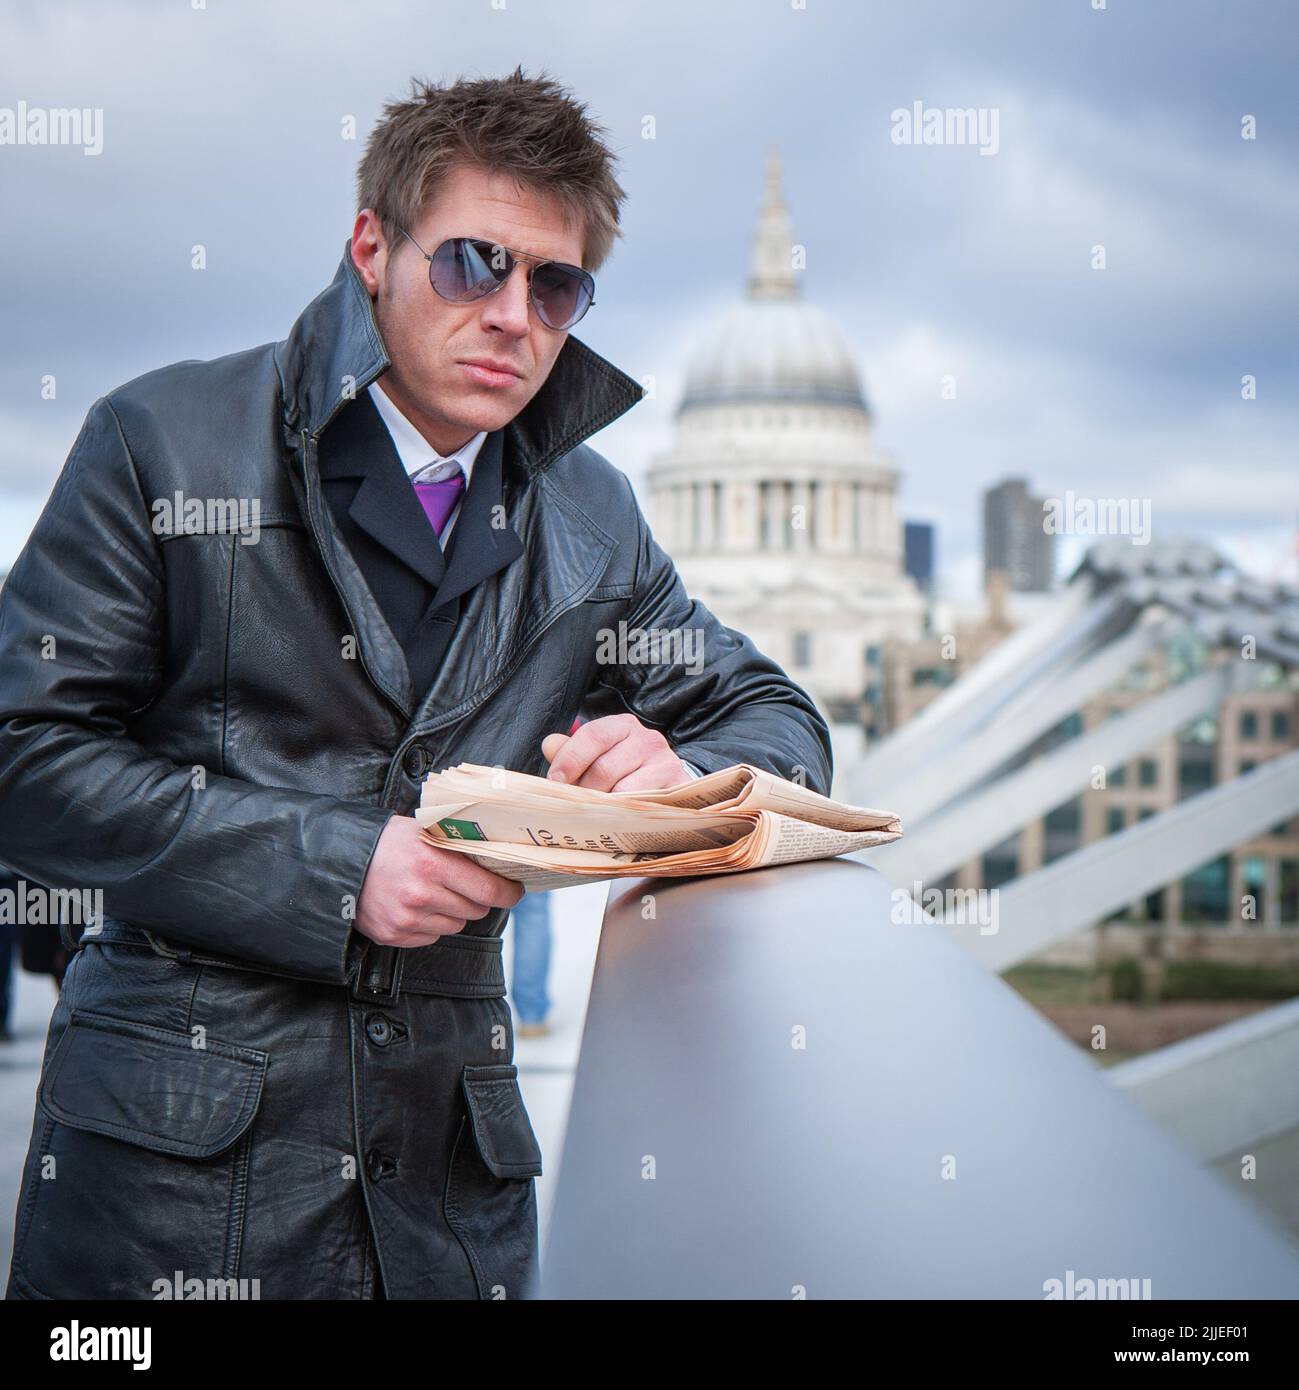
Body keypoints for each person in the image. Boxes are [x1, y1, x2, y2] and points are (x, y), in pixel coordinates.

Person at [0, 68, 832, 1301]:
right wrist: (339, 868)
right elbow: (23, 752)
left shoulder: (593, 515)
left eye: (556, 285)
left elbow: (775, 717)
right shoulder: (162, 438)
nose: (515, 314)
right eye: (473, 264)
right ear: (372, 246)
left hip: (451, 1200)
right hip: (173, 1201)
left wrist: (685, 775)